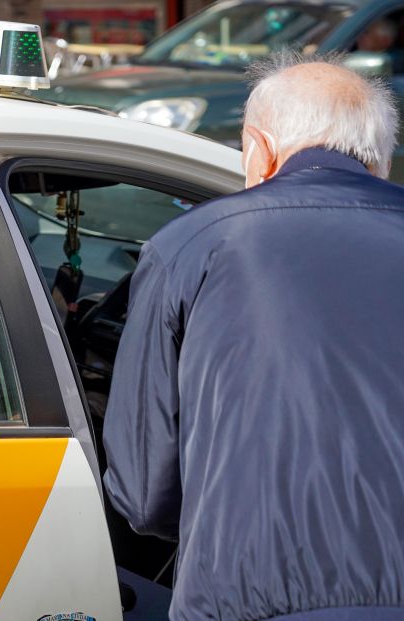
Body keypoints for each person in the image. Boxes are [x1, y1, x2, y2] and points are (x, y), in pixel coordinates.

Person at [102, 52, 404, 621]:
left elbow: (143, 493)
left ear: (258, 150)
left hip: (244, 594)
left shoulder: (193, 244)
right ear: (380, 160)